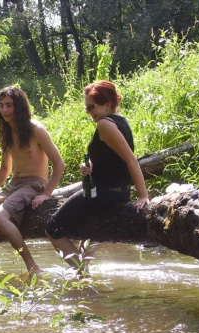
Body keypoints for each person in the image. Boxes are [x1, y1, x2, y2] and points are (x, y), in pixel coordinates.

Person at [46, 80, 149, 276]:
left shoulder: (104, 124)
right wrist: (90, 167)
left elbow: (131, 160)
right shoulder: (120, 121)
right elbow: (113, 158)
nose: (88, 112)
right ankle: (84, 274)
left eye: (91, 107)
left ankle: (83, 274)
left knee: (53, 228)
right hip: (116, 193)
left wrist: (143, 196)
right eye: (86, 107)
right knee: (89, 230)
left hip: (102, 193)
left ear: (107, 105)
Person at [0, 86, 65, 276]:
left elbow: (59, 164)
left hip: (34, 184)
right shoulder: (6, 132)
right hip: (13, 186)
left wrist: (46, 193)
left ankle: (33, 267)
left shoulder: (35, 129)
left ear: (19, 106)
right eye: (1, 106)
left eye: (9, 105)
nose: (5, 110)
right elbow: (5, 169)